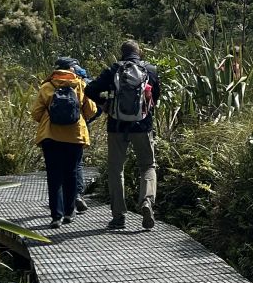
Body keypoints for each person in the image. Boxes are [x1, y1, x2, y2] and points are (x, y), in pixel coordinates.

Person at [86, 40, 161, 232]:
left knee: (116, 169)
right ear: (140, 52)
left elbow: (90, 89)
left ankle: (119, 216)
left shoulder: (114, 70)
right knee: (147, 166)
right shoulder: (150, 70)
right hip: (142, 126)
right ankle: (146, 202)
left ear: (122, 54)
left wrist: (104, 104)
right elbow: (156, 97)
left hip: (117, 126)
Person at [31, 56, 98, 229]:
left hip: (50, 137)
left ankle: (56, 217)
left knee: (54, 176)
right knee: (72, 173)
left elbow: (36, 113)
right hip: (75, 137)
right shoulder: (80, 85)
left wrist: (49, 117)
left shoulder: (46, 87)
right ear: (72, 71)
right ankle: (69, 213)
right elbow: (91, 111)